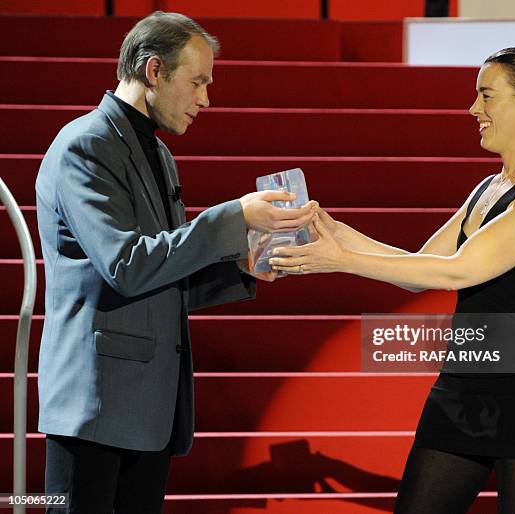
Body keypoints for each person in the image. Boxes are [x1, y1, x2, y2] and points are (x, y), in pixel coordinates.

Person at [270, 47, 515, 513]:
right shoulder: (489, 186)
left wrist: (340, 260)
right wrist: (335, 231)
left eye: (486, 96)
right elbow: (418, 268)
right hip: (466, 381)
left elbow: (458, 270)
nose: (474, 110)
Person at [36, 11, 315, 514]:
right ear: (154, 71)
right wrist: (233, 217)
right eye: (198, 81)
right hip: (94, 406)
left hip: (148, 407)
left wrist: (241, 268)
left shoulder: (158, 153)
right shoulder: (85, 145)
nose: (206, 98)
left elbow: (163, 275)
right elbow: (126, 265)